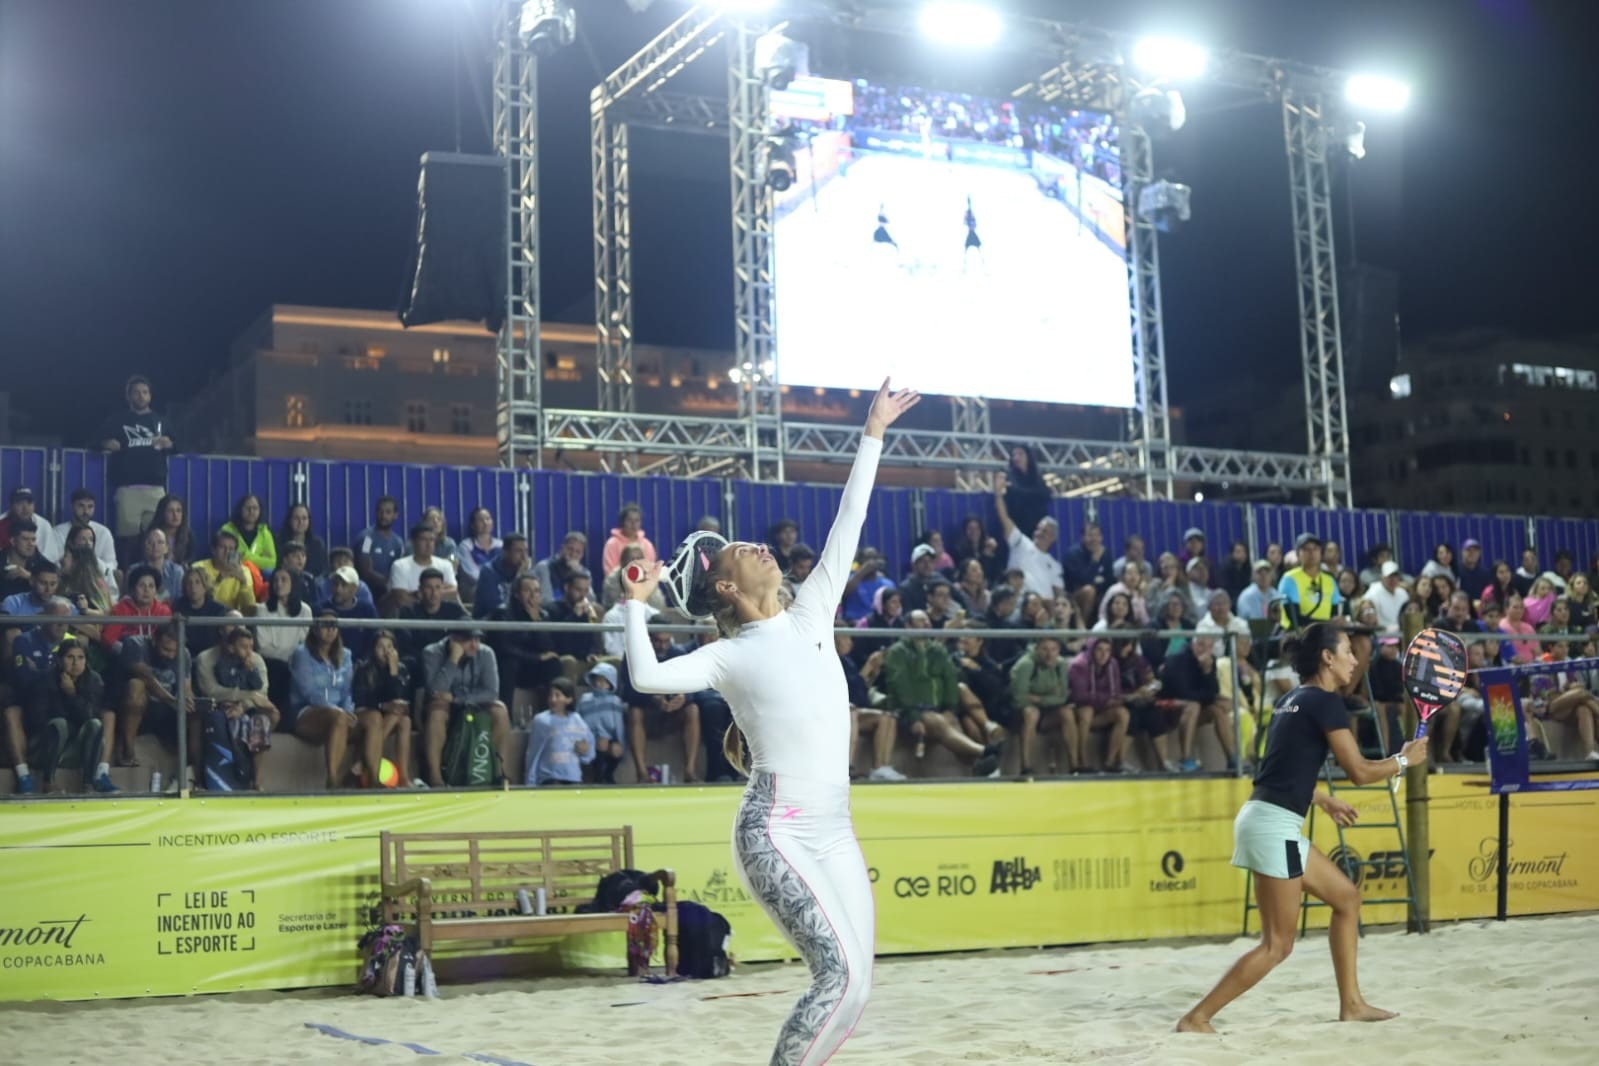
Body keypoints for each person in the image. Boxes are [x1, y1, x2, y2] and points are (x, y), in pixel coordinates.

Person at [618, 378, 918, 1064]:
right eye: (741, 552)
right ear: (727, 586)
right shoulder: (728, 654)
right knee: (837, 976)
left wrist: (872, 431)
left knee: (855, 984)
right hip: (773, 831)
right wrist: (635, 605)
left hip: (834, 828)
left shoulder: (811, 614)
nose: (758, 546)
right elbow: (648, 678)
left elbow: (850, 518)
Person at [1177, 623, 1426, 1034]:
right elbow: (1360, 772)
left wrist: (1322, 799)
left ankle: (1352, 1004)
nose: (1354, 660)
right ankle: (1196, 1018)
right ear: (1327, 658)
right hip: (1273, 825)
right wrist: (1404, 760)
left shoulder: (1291, 699)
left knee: (1347, 898)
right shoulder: (1326, 702)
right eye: (1347, 651)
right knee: (1278, 944)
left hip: (1266, 817)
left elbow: (1280, 771)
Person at [881, 612, 1002, 776]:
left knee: (955, 725)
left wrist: (950, 709)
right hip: (908, 712)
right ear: (908, 626)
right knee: (939, 722)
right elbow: (901, 687)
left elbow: (950, 679)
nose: (926, 624)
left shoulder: (938, 650)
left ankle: (982, 766)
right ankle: (986, 751)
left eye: (927, 620)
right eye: (921, 621)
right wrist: (914, 716)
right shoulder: (897, 652)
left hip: (939, 709)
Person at [24, 636, 118, 793]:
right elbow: (37, 720)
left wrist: (72, 694)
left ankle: (88, 784)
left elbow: (90, 716)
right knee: (60, 724)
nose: (76, 663)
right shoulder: (46, 679)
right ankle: (48, 782)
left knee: (95, 724)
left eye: (81, 658)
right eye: (70, 657)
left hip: (77, 745)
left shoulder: (93, 679)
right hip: (47, 745)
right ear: (59, 661)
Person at [97, 375, 176, 561]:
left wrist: (170, 443)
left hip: (156, 489)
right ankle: (128, 573)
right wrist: (106, 443)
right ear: (129, 396)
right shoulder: (117, 420)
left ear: (150, 395)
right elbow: (94, 442)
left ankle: (156, 575)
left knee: (157, 538)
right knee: (127, 541)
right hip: (127, 489)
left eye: (145, 392)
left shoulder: (161, 421)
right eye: (137, 392)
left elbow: (178, 445)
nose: (141, 396)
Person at [421, 628, 510, 787]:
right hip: (446, 707)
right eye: (469, 640)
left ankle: (497, 771)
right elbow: (436, 691)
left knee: (500, 711)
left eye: (478, 640)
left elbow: (491, 692)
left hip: (471, 703)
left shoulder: (486, 653)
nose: (475, 645)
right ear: (454, 640)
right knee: (437, 712)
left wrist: (457, 699)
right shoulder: (432, 652)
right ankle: (435, 778)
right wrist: (453, 659)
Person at [287, 614, 356, 790]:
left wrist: (348, 710)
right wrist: (337, 711)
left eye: (334, 625)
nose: (330, 629)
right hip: (307, 711)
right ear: (315, 629)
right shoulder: (302, 654)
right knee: (338, 717)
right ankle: (332, 780)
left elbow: (346, 691)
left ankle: (370, 778)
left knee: (373, 719)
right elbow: (308, 692)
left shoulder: (346, 654)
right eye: (325, 625)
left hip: (340, 713)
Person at [352, 630, 416, 789]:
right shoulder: (364, 668)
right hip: (367, 713)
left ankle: (403, 778)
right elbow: (362, 699)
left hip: (390, 715)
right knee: (393, 714)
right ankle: (368, 766)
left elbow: (399, 697)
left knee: (405, 720)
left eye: (390, 647)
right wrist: (383, 706)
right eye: (381, 647)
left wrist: (393, 672)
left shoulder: (401, 668)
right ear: (373, 649)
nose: (386, 651)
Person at [992, 473, 1063, 601]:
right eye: (1039, 529)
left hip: (1046, 608)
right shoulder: (1020, 543)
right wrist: (998, 494)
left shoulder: (1055, 565)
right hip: (1021, 604)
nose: (1040, 533)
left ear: (1053, 538)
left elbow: (1059, 593)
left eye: (1045, 531)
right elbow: (1004, 517)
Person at [256, 567, 312, 707]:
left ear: (293, 583)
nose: (279, 584)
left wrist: (294, 658)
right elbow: (263, 647)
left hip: (298, 663)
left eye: (284, 580)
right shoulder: (262, 610)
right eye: (275, 580)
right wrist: (291, 656)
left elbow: (306, 644)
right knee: (281, 670)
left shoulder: (305, 610)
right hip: (272, 664)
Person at [524, 677, 595, 787]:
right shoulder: (541, 721)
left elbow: (590, 748)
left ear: (569, 699)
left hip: (574, 778)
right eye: (551, 695)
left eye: (557, 695)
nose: (553, 699)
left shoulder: (577, 720)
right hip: (550, 778)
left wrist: (585, 750)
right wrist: (530, 783)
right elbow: (533, 753)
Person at [576, 662, 628, 784]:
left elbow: (619, 726)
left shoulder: (615, 701)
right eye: (597, 680)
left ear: (610, 683)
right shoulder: (584, 699)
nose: (599, 684)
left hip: (609, 739)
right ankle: (597, 776)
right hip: (588, 738)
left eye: (603, 681)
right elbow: (577, 721)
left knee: (611, 747)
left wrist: (619, 743)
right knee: (600, 743)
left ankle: (608, 774)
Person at [387, 523, 459, 612]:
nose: (428, 544)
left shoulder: (445, 565)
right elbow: (401, 599)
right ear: (413, 542)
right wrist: (438, 592)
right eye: (423, 539)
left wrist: (418, 594)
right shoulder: (399, 566)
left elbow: (453, 593)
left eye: (431, 540)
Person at [101, 565, 171, 655]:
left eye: (151, 586)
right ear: (133, 589)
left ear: (156, 591)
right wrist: (126, 651)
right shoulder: (121, 609)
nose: (146, 590)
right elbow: (108, 638)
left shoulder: (163, 611)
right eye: (141, 585)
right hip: (126, 656)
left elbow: (170, 640)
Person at [318, 565, 380, 662]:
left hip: (361, 664)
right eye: (336, 584)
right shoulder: (320, 609)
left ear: (354, 588)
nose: (338, 589)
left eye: (344, 585)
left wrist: (363, 662)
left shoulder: (367, 610)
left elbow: (375, 640)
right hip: (326, 663)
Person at [55, 488, 117, 577]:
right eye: (81, 506)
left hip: (97, 575)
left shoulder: (104, 532)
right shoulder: (58, 531)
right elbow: (56, 562)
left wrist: (93, 565)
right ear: (72, 506)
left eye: (90, 507)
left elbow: (111, 564)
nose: (86, 511)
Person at [194, 530, 258, 615]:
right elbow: (198, 603)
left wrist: (244, 583)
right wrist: (218, 581)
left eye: (231, 549)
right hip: (206, 617)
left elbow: (250, 611)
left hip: (232, 619)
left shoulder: (243, 571)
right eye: (222, 547)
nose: (227, 552)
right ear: (213, 550)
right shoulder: (198, 568)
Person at [356, 496, 405, 604]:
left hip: (390, 595)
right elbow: (365, 571)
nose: (383, 516)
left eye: (388, 512)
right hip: (368, 593)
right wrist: (387, 583)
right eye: (380, 511)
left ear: (395, 515)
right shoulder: (367, 538)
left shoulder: (398, 542)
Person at [172, 567, 229, 657]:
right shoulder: (177, 606)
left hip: (211, 655)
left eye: (197, 582)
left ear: (205, 586)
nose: (193, 587)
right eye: (189, 583)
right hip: (185, 655)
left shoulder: (218, 609)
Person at [472, 533, 529, 618]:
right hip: (489, 622)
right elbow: (498, 610)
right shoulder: (488, 572)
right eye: (518, 551)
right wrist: (519, 579)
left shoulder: (525, 571)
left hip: (515, 622)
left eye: (526, 551)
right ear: (505, 552)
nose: (524, 557)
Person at [0, 488, 63, 565]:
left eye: (29, 503)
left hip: (36, 569)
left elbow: (50, 559)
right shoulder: (1, 524)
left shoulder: (43, 525)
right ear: (11, 506)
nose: (25, 508)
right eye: (20, 503)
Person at [220, 494, 277, 578]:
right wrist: (260, 559)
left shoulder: (265, 533)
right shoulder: (228, 530)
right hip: (235, 569)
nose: (251, 511)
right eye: (248, 508)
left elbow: (273, 562)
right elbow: (228, 557)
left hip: (259, 574)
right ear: (240, 509)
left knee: (269, 572)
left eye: (255, 508)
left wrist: (245, 556)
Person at [454, 506, 502, 597]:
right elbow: (472, 573)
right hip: (475, 587)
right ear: (473, 525)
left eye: (488, 519)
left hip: (500, 586)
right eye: (480, 520)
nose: (485, 522)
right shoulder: (465, 546)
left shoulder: (501, 545)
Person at [602, 504, 657, 578]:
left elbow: (651, 570)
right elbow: (610, 572)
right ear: (622, 522)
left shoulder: (647, 545)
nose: (633, 524)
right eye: (629, 520)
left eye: (637, 520)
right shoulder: (612, 544)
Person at [278, 503, 328, 578]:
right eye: (296, 518)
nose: (300, 522)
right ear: (290, 521)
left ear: (309, 521)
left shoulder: (317, 544)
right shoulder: (279, 542)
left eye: (304, 518)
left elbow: (324, 570)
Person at [136, 528, 185, 604]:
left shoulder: (177, 572)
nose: (155, 546)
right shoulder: (134, 570)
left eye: (160, 542)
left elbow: (181, 602)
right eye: (150, 542)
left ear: (167, 548)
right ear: (145, 547)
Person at [145, 494, 195, 568]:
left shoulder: (188, 535)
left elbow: (190, 559)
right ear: (162, 513)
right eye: (170, 511)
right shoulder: (152, 534)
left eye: (178, 511)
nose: (175, 515)